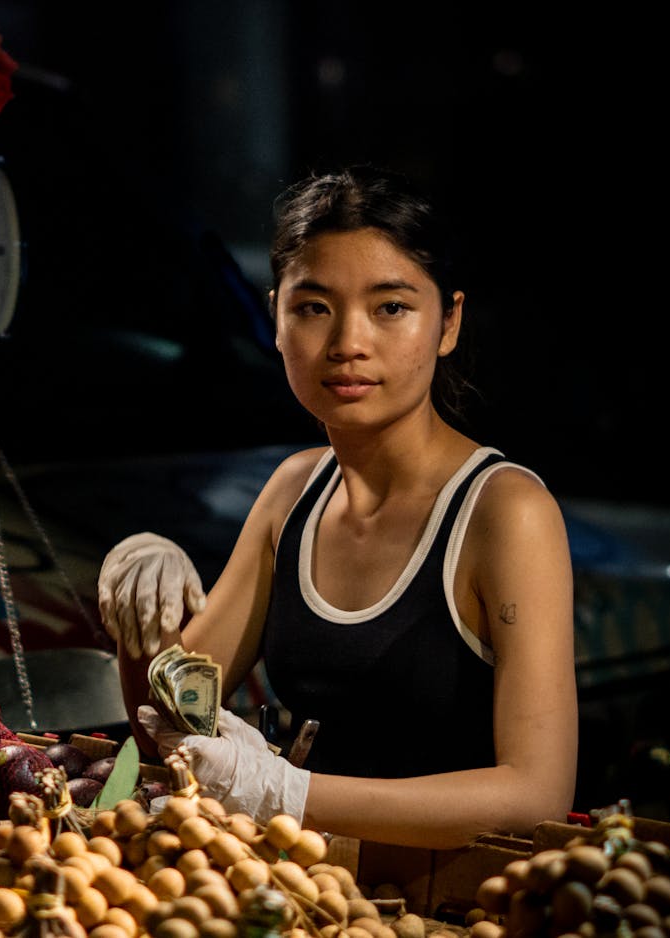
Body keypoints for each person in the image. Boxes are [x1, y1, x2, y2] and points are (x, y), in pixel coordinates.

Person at [98, 164, 577, 850]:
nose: (348, 342)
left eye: (391, 307)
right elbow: (171, 725)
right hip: (306, 893)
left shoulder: (505, 511)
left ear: (449, 322)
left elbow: (536, 795)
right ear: (276, 320)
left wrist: (287, 793)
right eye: (314, 306)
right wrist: (143, 608)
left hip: (447, 907)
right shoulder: (295, 493)